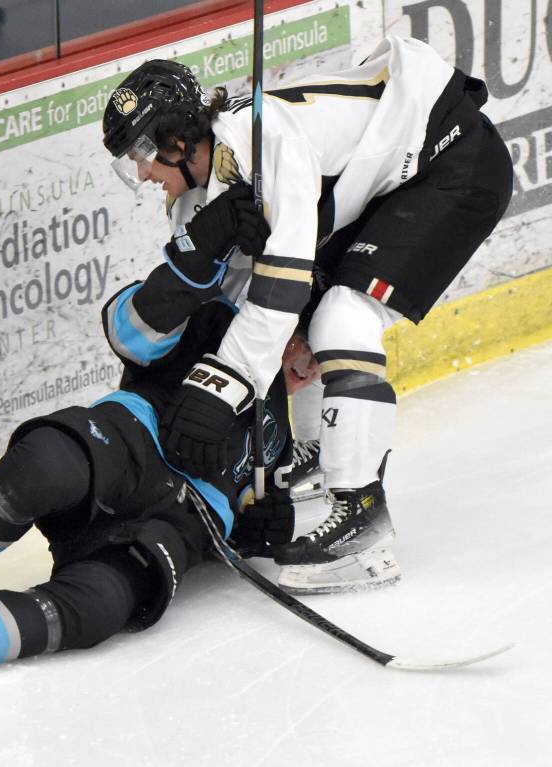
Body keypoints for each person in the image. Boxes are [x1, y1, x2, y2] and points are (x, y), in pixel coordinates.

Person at [0, 210, 302, 697]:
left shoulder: (281, 425)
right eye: (307, 342)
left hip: (177, 527)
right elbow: (126, 329)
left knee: (101, 607)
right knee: (44, 464)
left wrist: (256, 531)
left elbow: (247, 517)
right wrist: (191, 266)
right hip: (129, 445)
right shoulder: (215, 318)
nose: (309, 362)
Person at [100, 37, 513, 594]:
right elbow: (238, 305)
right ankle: (321, 454)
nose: (143, 174)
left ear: (176, 140)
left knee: (342, 317)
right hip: (382, 189)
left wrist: (220, 389)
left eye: (141, 155)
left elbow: (288, 274)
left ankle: (360, 517)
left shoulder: (261, 139)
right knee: (305, 325)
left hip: (450, 158)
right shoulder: (197, 202)